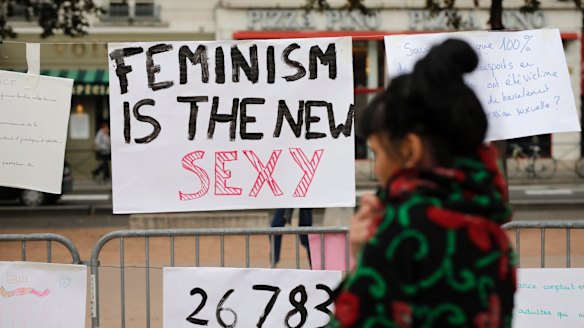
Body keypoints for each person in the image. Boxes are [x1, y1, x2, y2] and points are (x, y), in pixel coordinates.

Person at [328, 39, 516, 327]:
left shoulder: (402, 230)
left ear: (410, 150)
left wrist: (363, 260)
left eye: (378, 153)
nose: (377, 169)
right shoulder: (491, 231)